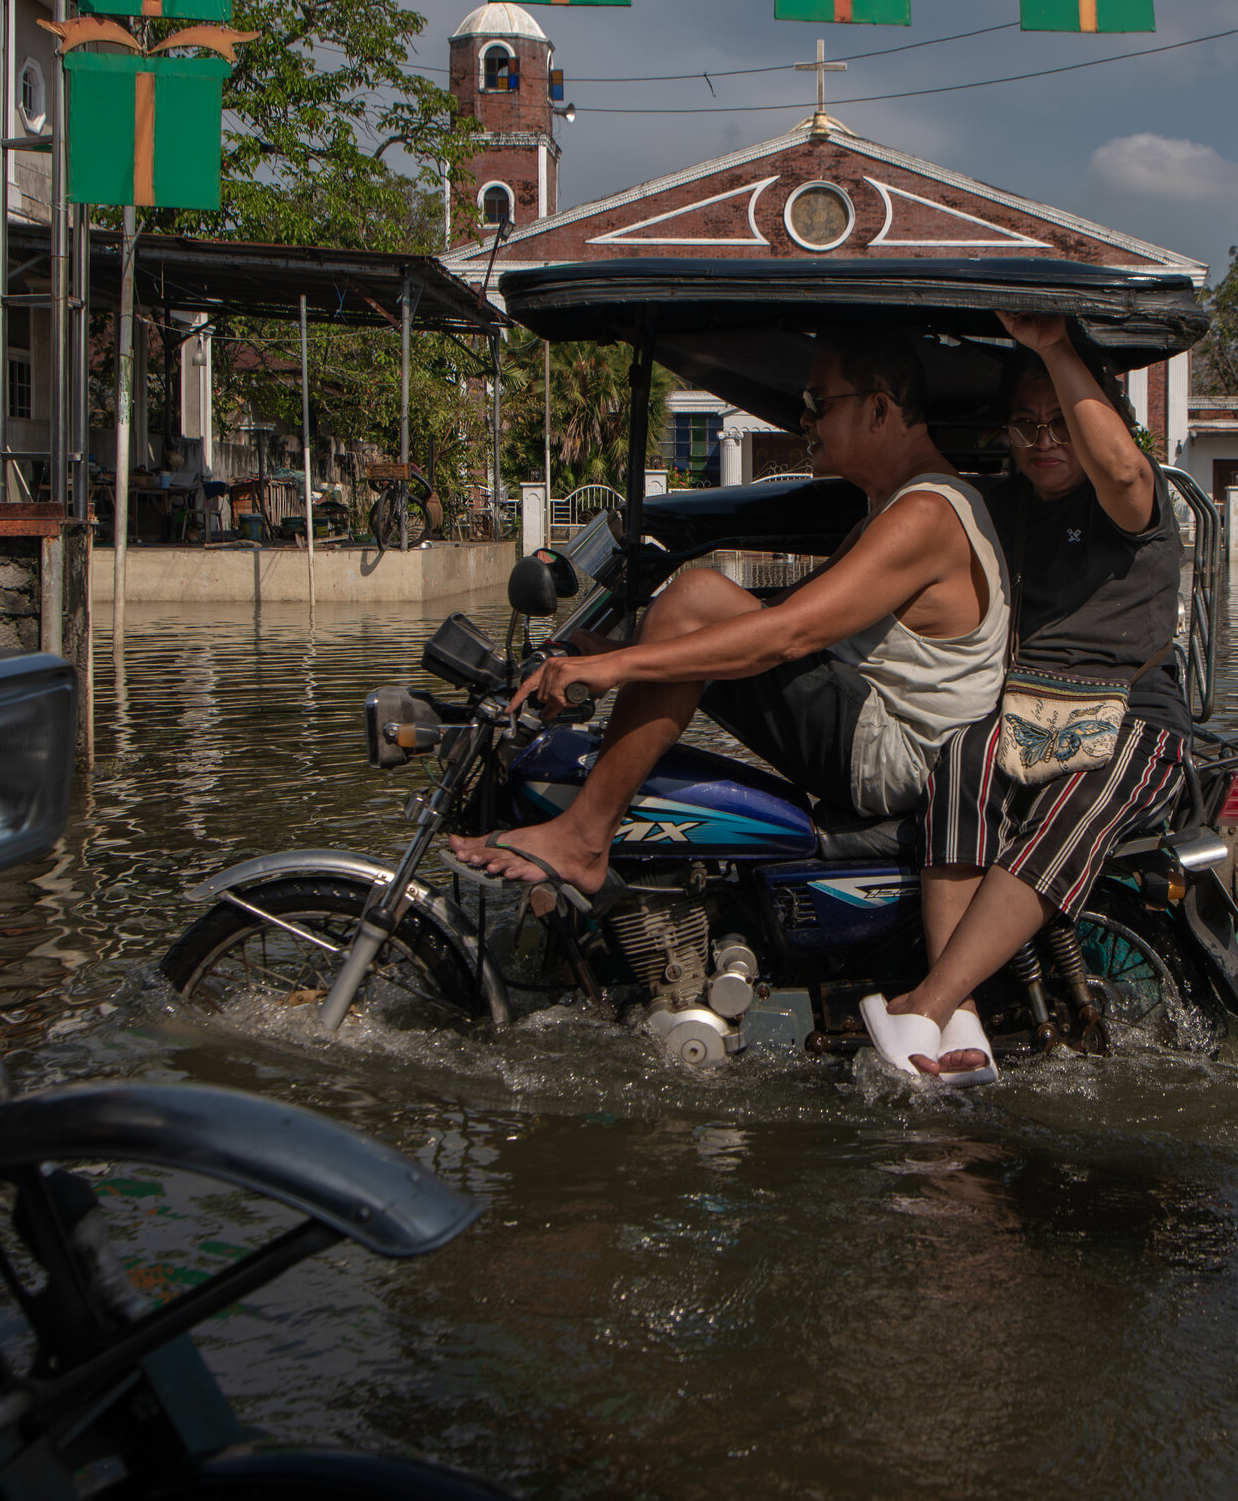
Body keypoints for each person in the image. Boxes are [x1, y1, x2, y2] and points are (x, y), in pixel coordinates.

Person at [448, 330, 1010, 900]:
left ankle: (584, 837)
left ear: (880, 409)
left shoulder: (926, 513)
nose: (804, 420)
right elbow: (785, 608)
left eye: (818, 403)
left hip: (900, 754)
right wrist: (626, 654)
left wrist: (619, 670)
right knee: (698, 606)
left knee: (695, 599)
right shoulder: (901, 505)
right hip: (883, 732)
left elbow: (789, 633)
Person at [861, 311, 1191, 1082]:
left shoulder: (1131, 506)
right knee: (961, 761)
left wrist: (1051, 346)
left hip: (1131, 715)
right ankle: (963, 1022)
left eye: (1061, 423)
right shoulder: (1003, 506)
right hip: (1025, 713)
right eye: (1026, 425)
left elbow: (1123, 471)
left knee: (1073, 806)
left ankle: (932, 1002)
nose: (1045, 440)